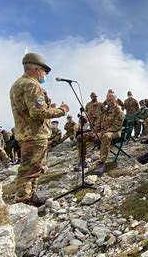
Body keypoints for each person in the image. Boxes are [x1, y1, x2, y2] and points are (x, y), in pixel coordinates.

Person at [10, 52, 69, 204]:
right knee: (31, 169)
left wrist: (48, 108)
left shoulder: (18, 84)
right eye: (45, 71)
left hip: (26, 133)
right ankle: (24, 199)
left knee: (34, 167)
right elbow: (38, 112)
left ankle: (30, 195)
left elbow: (30, 110)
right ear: (37, 69)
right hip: (35, 134)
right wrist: (62, 110)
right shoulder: (31, 85)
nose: (45, 75)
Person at [76, 90, 124, 174]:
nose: (109, 102)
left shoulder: (118, 112)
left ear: (115, 100)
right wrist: (95, 131)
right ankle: (83, 160)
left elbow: (116, 127)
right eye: (107, 100)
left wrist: (101, 133)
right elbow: (98, 123)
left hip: (114, 132)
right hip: (101, 132)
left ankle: (101, 163)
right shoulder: (104, 111)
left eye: (111, 99)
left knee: (106, 136)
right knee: (80, 137)